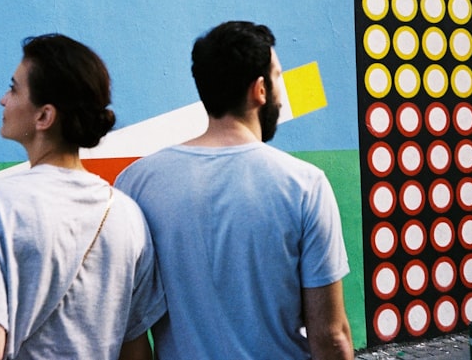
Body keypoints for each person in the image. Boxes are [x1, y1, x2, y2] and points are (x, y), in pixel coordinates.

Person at [115, 20, 354, 359]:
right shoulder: (304, 185)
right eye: (278, 78)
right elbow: (330, 335)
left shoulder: (135, 182)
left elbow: (131, 331)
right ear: (260, 90)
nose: (281, 94)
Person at [0, 34, 166, 360]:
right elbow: (136, 352)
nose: (2, 100)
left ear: (44, 117)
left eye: (13, 88)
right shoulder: (127, 215)